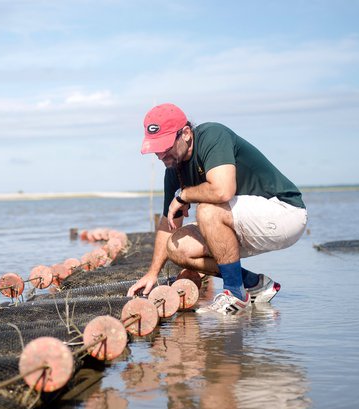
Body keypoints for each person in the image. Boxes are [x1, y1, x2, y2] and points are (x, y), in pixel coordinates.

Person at [127, 103, 307, 315]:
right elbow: (168, 225)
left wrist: (184, 195)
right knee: (177, 247)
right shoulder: (173, 170)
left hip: (284, 213)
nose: (160, 156)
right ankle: (255, 284)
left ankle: (234, 294)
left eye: (165, 147)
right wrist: (152, 274)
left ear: (185, 133)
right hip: (244, 222)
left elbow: (223, 191)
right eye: (156, 149)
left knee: (208, 211)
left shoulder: (213, 135)